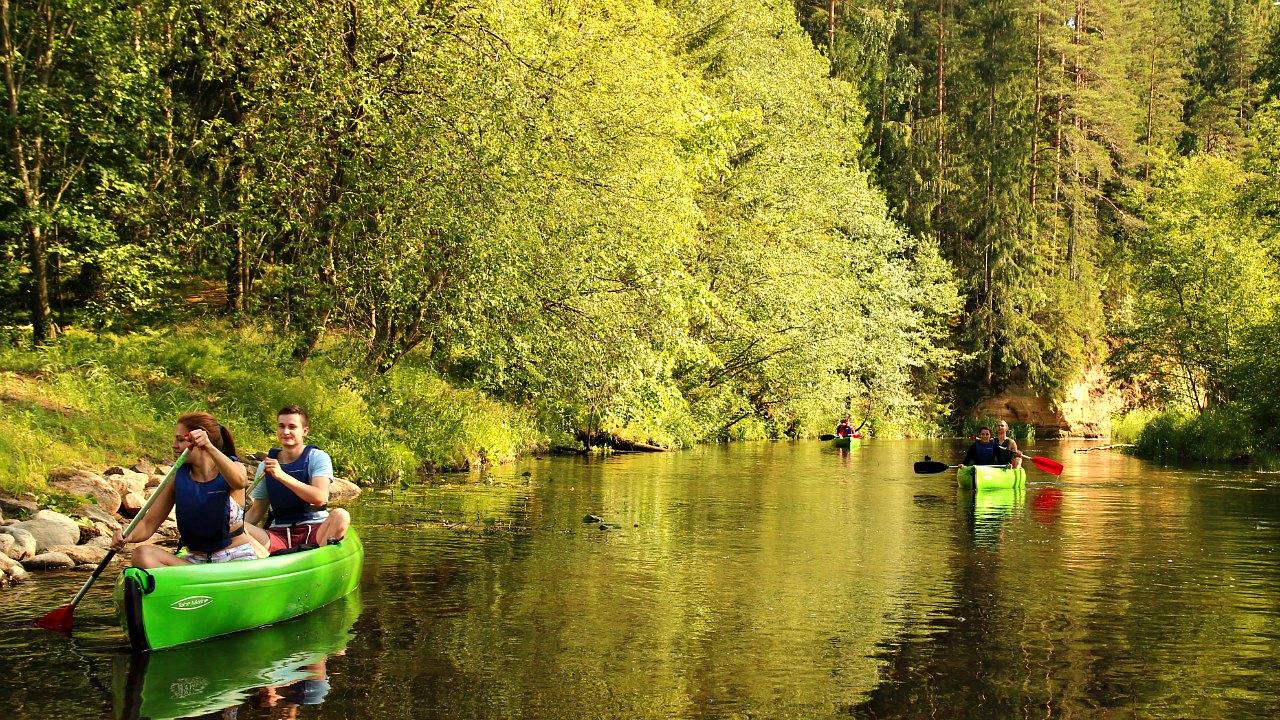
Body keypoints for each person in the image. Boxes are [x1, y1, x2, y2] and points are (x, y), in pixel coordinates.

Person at [113, 412, 262, 568]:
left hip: (234, 557)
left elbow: (240, 482)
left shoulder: (231, 468)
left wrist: (209, 447)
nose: (174, 445)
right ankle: (202, 582)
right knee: (141, 554)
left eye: (180, 440)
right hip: (194, 562)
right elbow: (149, 523)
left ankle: (199, 584)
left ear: (200, 441)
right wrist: (127, 535)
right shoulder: (177, 477)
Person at [244, 405, 350, 553]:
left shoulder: (317, 457)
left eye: (292, 427)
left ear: (304, 431)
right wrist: (231, 530)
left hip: (315, 531)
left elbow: (319, 498)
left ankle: (319, 558)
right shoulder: (264, 466)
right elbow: (256, 511)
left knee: (341, 515)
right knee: (236, 526)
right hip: (279, 535)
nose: (286, 432)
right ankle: (268, 564)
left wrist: (281, 476)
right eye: (281, 426)